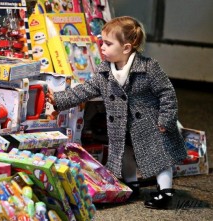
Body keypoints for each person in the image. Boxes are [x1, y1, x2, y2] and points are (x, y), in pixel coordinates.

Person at [46, 16, 187, 209]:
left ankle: (165, 191)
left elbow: (167, 93)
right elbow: (85, 90)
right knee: (125, 154)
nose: (101, 47)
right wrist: (59, 99)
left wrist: (166, 118)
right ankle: (131, 185)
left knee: (160, 157)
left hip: (151, 125)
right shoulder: (105, 71)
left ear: (126, 48)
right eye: (102, 42)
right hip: (122, 125)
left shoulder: (148, 67)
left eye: (107, 43)